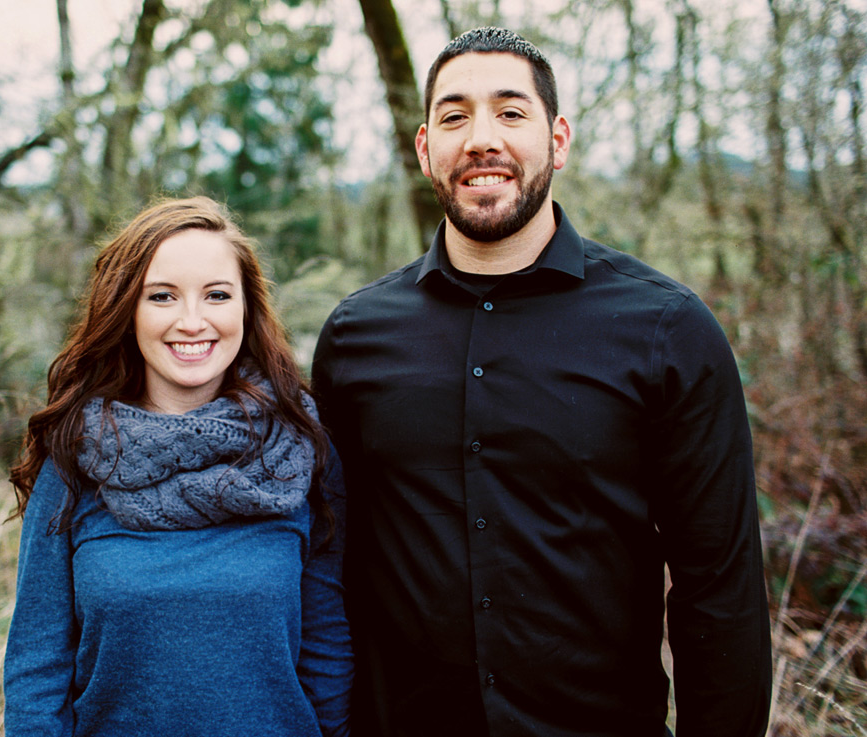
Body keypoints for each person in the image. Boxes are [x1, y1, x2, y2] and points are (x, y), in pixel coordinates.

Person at [312, 27, 771, 737]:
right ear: (424, 147)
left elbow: (722, 591)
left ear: (557, 140)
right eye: (455, 115)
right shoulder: (353, 338)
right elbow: (328, 567)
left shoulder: (668, 330)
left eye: (511, 111)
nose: (481, 138)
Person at [4, 196, 352, 737]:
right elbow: (36, 668)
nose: (192, 321)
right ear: (127, 311)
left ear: (245, 309)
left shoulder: (299, 451)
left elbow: (326, 646)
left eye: (217, 295)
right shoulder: (75, 461)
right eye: (162, 296)